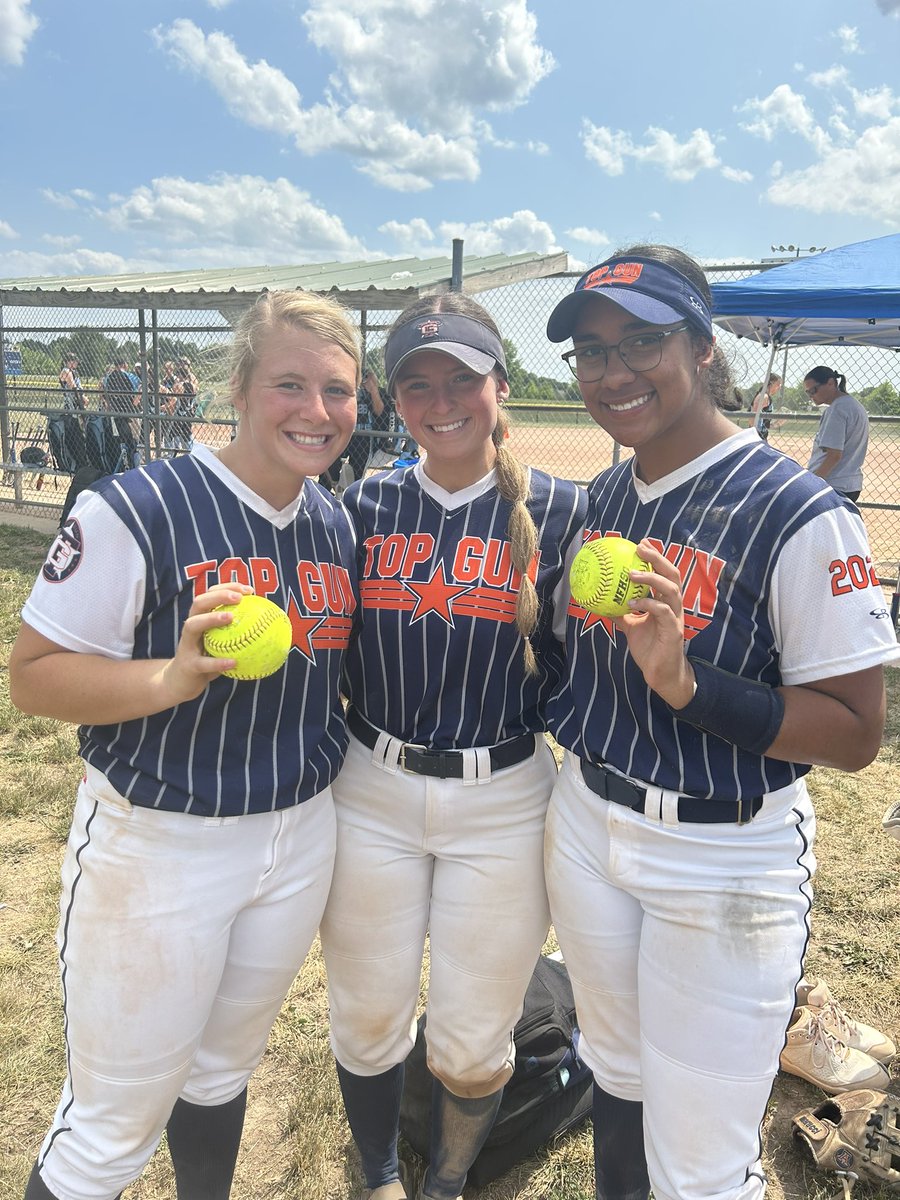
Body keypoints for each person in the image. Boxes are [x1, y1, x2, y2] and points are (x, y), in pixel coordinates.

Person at [542, 245, 900, 1200]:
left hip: (721, 855)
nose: (613, 371)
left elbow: (858, 734)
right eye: (591, 351)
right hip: (587, 827)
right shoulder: (606, 498)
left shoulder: (799, 511)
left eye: (643, 341)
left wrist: (691, 685)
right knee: (615, 1077)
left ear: (705, 349)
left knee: (701, 1164)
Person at [9, 290, 361, 1200]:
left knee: (219, 1073)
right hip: (160, 843)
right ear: (238, 388)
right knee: (109, 1130)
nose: (316, 412)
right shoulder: (138, 505)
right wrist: (167, 679)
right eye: (290, 384)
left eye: (338, 390)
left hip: (297, 839)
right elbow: (35, 675)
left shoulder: (334, 523)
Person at [319, 294, 587, 1200]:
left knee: (474, 1037)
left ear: (499, 386)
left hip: (504, 791)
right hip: (372, 782)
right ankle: (384, 1172)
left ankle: (451, 1180)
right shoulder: (360, 507)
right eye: (416, 383)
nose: (442, 401)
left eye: (462, 380)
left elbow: (583, 671)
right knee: (365, 1016)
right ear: (392, 399)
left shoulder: (561, 511)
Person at [804, 365, 869, 502]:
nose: (811, 396)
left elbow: (834, 455)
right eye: (808, 393)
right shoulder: (853, 405)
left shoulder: (837, 409)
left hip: (832, 485)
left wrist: (813, 484)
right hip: (849, 484)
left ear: (831, 383)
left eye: (813, 390)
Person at [101, 355, 141, 467]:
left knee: (119, 442)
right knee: (133, 443)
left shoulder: (108, 377)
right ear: (124, 364)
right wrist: (136, 401)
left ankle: (122, 465)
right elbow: (139, 390)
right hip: (130, 414)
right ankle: (133, 467)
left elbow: (105, 394)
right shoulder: (130, 376)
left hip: (115, 414)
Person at [750, 372, 783, 441]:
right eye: (778, 384)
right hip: (757, 437)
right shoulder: (764, 396)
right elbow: (753, 418)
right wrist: (756, 436)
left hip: (761, 436)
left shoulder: (767, 397)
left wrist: (776, 424)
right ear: (771, 383)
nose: (780, 387)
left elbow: (764, 424)